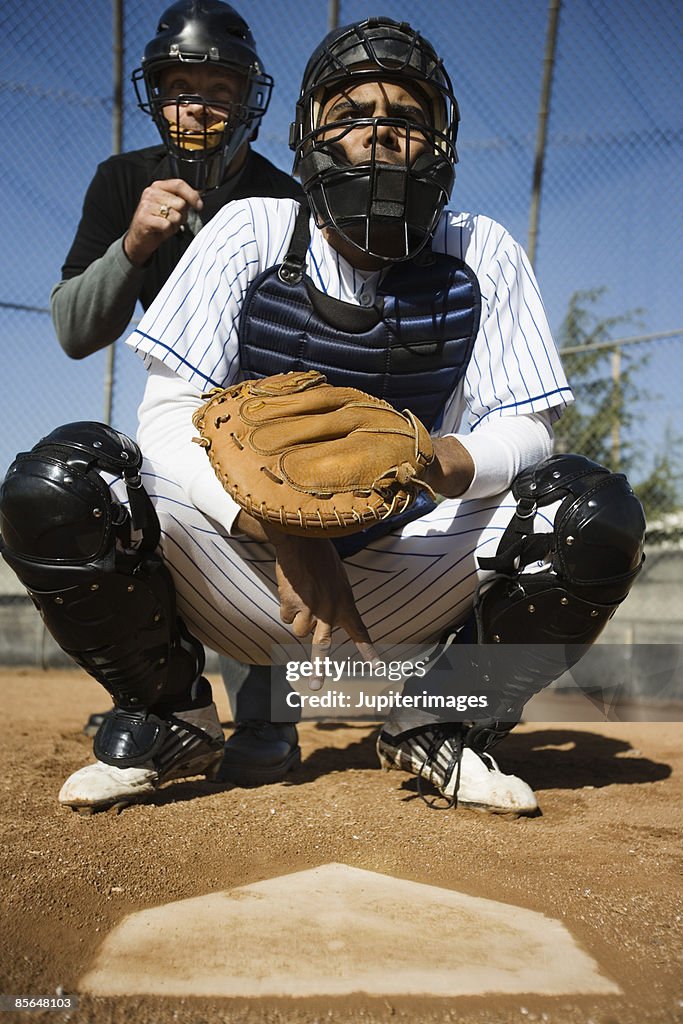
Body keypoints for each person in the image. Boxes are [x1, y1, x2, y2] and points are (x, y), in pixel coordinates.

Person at [1, 17, 645, 815]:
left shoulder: (482, 249)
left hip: (405, 576)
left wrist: (443, 458)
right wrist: (279, 521)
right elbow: (168, 419)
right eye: (353, 114)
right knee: (64, 482)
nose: (379, 133)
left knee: (592, 512)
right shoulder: (252, 226)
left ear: (437, 142)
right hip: (248, 579)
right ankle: (169, 709)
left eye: (404, 118)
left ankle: (440, 720)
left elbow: (529, 427)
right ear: (311, 135)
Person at [49, 0, 305, 786]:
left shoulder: (287, 198)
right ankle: (170, 700)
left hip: (267, 413)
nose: (198, 105)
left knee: (274, 520)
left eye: (218, 88)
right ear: (156, 96)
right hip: (175, 411)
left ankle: (267, 713)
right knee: (118, 513)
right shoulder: (123, 179)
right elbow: (72, 329)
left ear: (247, 99)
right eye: (180, 87)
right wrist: (134, 244)